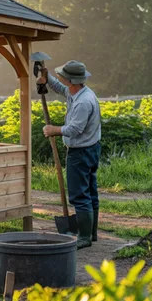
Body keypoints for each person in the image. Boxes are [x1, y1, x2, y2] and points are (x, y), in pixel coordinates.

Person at [37, 59, 102, 249]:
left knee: (79, 195)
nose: (61, 78)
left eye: (63, 76)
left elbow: (74, 129)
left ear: (71, 80)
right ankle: (91, 232)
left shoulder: (83, 102)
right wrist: (46, 75)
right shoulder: (77, 92)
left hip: (80, 152)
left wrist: (53, 130)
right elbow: (58, 87)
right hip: (90, 148)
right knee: (90, 191)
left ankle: (84, 237)